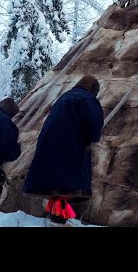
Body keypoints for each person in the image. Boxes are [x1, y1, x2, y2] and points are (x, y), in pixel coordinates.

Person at [22, 75, 104, 225]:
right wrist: (92, 138)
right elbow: (94, 125)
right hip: (70, 147)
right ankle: (58, 220)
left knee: (56, 185)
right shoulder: (88, 99)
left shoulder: (63, 98)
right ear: (93, 90)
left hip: (48, 145)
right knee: (66, 186)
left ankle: (55, 216)